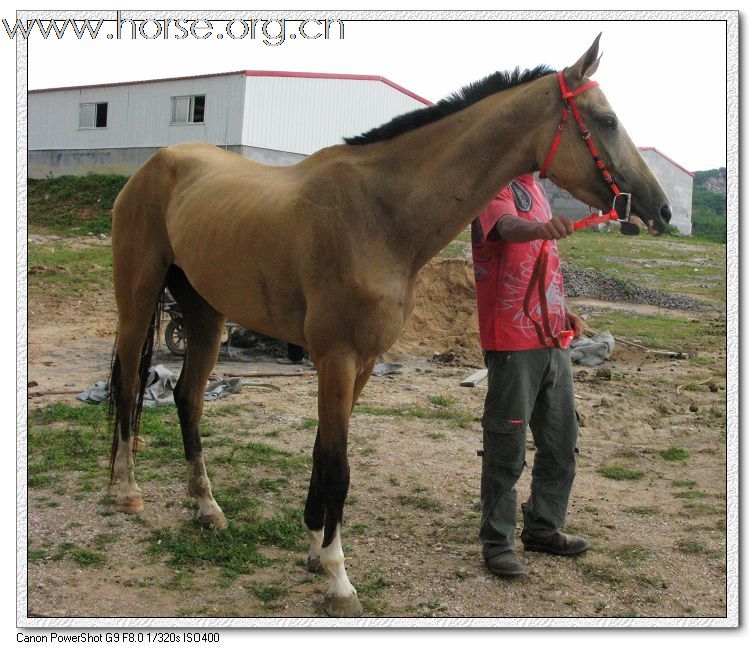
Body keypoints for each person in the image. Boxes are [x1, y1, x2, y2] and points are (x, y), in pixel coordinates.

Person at [471, 172, 589, 578]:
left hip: (553, 336)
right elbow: (507, 228)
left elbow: (542, 258)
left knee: (561, 440)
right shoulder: (494, 184)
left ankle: (543, 526)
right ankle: (497, 543)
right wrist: (541, 227)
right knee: (506, 445)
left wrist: (561, 306)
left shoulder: (536, 188)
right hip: (512, 340)